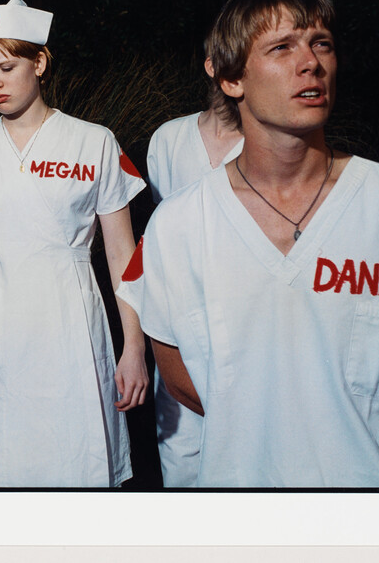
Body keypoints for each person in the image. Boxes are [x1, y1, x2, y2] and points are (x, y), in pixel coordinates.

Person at [117, 0, 379, 487]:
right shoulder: (178, 225)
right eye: (282, 47)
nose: (310, 62)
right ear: (230, 79)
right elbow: (179, 378)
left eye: (321, 43)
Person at [0, 0, 149, 487]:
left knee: (75, 464)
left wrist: (135, 347)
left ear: (38, 62)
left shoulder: (94, 141)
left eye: (6, 67)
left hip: (72, 329)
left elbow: (124, 255)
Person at [145, 64, 243, 487]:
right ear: (212, 64)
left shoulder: (268, 145)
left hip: (245, 328)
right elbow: (157, 241)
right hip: (180, 331)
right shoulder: (168, 139)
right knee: (183, 465)